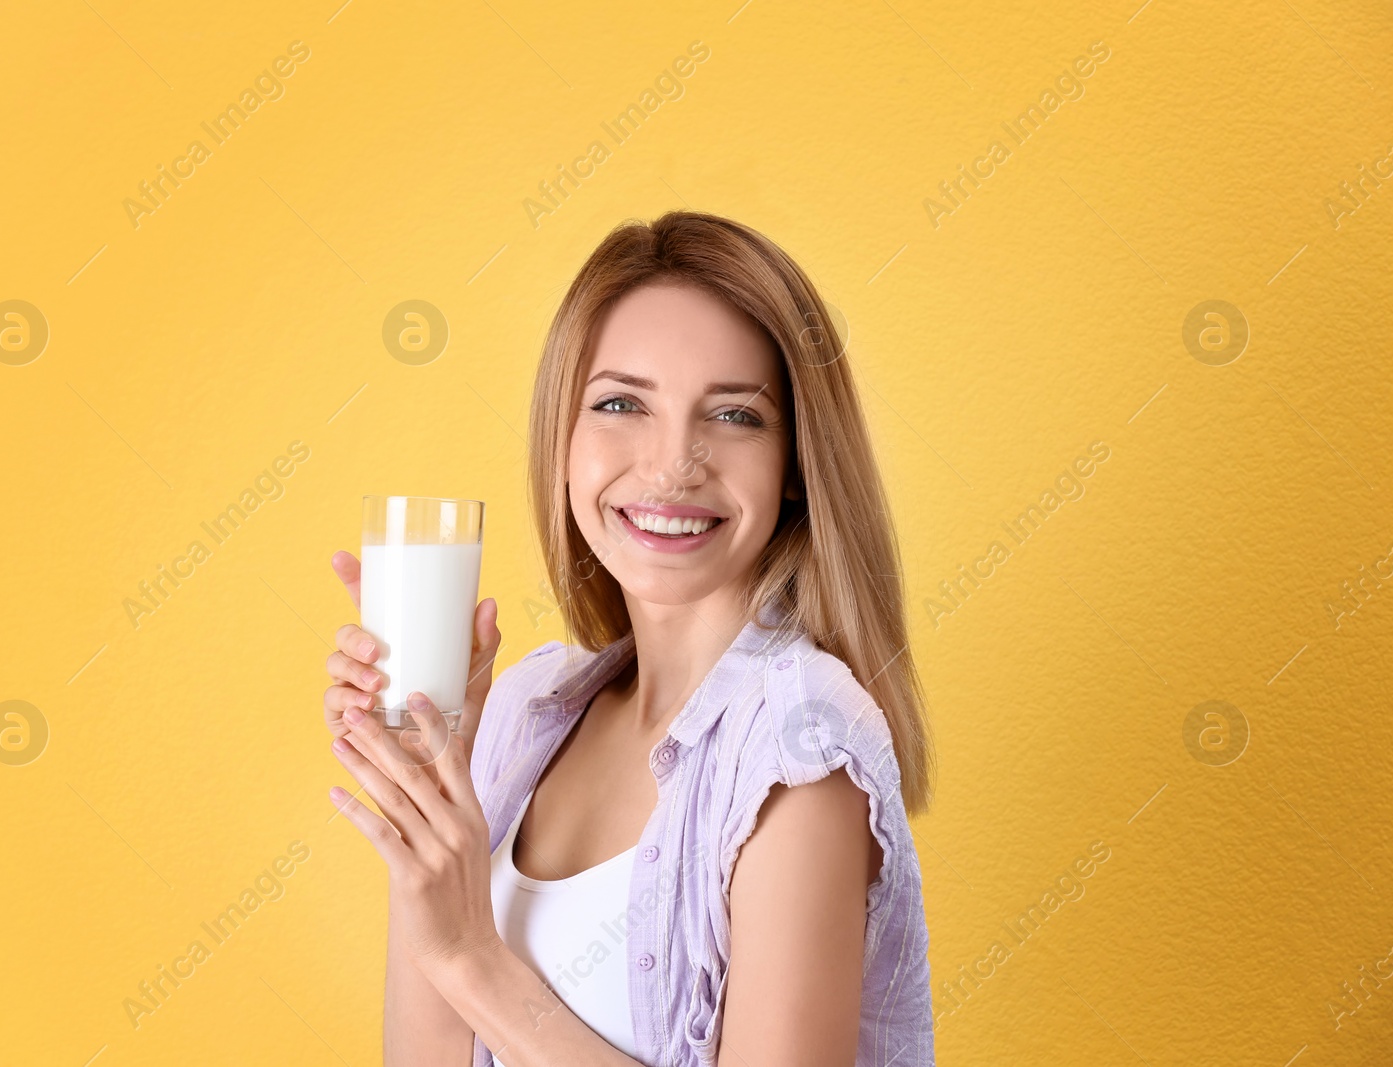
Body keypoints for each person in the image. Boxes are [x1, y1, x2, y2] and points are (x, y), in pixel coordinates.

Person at [322, 210, 935, 1066]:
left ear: (796, 463)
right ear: (563, 439)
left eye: (733, 415)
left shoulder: (799, 751)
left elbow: (465, 961)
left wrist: (473, 957)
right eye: (620, 403)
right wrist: (435, 778)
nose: (673, 463)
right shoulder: (530, 712)